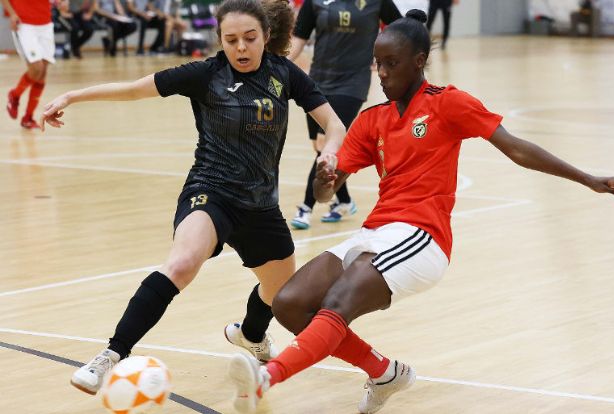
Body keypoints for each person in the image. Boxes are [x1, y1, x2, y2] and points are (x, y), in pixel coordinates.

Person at [227, 9, 614, 414]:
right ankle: (384, 372)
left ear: (420, 62)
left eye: (392, 64)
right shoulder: (373, 120)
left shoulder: (448, 104)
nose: (383, 73)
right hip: (375, 232)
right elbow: (324, 194)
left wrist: (588, 178)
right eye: (378, 64)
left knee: (337, 302)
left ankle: (270, 376)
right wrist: (324, 175)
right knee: (290, 303)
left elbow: (516, 148)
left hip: (422, 238)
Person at [40, 0, 346, 396]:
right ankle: (111, 355)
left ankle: (251, 335)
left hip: (261, 206)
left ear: (266, 37)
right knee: (183, 263)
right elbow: (135, 90)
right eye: (231, 39)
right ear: (219, 40)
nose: (241, 48)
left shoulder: (285, 75)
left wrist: (330, 150)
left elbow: (333, 123)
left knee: (279, 294)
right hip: (211, 191)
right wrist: (72, 96)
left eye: (250, 39)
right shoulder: (206, 73)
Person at [286, 0, 401, 229]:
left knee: (326, 141)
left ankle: (306, 207)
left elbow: (401, 29)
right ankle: (345, 201)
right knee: (321, 148)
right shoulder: (315, 2)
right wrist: (276, 66)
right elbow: (299, 38)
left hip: (353, 83)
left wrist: (386, 58)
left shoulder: (377, 2)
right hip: (317, 81)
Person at [3, 0, 53, 130]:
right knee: (37, 68)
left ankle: (28, 118)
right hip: (24, 24)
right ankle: (14, 95)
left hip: (46, 23)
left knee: (42, 73)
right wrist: (12, 14)